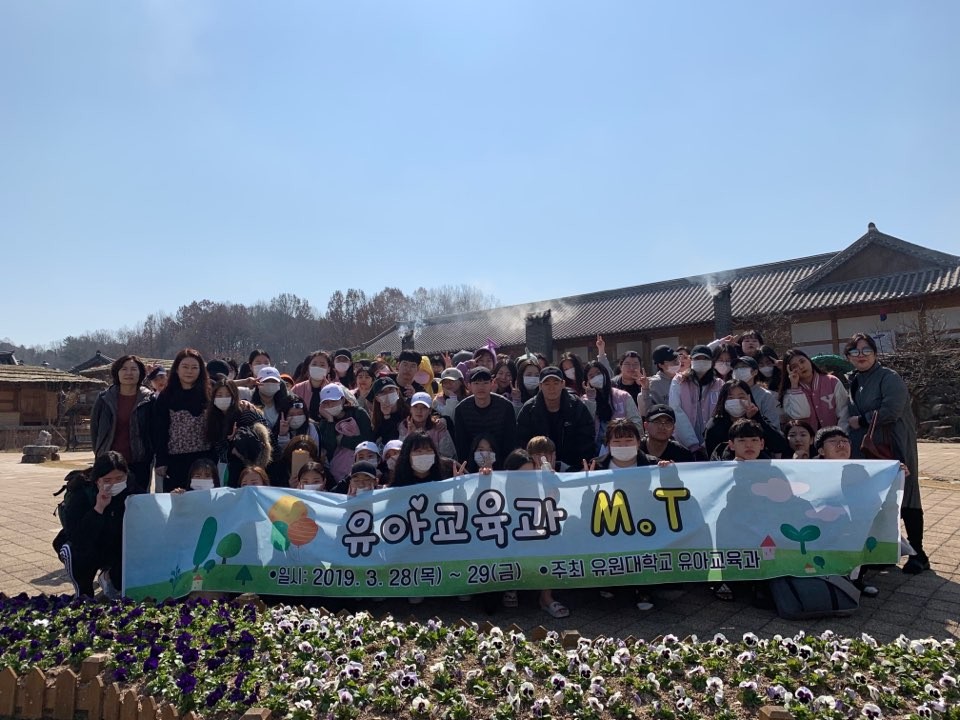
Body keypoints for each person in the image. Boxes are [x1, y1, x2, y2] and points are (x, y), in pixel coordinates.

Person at [844, 332, 927, 574]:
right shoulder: (853, 379)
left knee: (907, 494)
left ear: (875, 353)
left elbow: (892, 409)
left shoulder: (889, 377)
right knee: (876, 498)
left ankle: (919, 553)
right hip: (866, 448)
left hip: (894, 444)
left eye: (866, 350)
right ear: (848, 356)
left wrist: (862, 420)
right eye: (855, 351)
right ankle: (883, 552)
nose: (861, 355)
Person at [56, 451, 130, 599]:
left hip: (114, 543)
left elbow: (150, 512)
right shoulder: (81, 493)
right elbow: (78, 538)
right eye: (107, 480)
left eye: (119, 478)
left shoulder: (131, 488)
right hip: (87, 544)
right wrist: (99, 508)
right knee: (76, 554)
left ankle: (109, 578)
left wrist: (173, 498)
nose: (114, 484)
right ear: (97, 481)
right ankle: (83, 590)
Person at [90, 355, 155, 493]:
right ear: (117, 373)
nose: (129, 373)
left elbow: (154, 431)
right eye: (124, 369)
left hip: (139, 461)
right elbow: (95, 429)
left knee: (137, 500)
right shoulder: (104, 398)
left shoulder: (149, 399)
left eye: (133, 369)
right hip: (108, 461)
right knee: (107, 498)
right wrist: (99, 451)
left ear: (140, 373)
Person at [154, 348, 213, 492]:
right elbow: (159, 430)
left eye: (194, 367)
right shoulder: (166, 396)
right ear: (177, 369)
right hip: (175, 460)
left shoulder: (209, 393)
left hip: (204, 459)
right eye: (185, 367)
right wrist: (161, 460)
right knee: (177, 499)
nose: (189, 371)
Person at [517, 367, 596, 470]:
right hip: (537, 467)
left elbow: (587, 440)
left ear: (563, 384)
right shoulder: (529, 409)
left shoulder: (577, 407)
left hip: (573, 468)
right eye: (547, 384)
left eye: (556, 383)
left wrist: (578, 467)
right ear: (540, 386)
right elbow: (522, 442)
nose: (551, 388)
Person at [704, 380, 790, 460]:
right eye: (730, 398)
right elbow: (713, 458)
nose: (736, 401)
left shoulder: (758, 420)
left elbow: (780, 445)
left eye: (741, 397)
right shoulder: (714, 426)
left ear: (749, 398)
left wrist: (756, 418)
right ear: (723, 400)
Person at [453, 367, 518, 469]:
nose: (481, 387)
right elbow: (461, 445)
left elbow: (510, 441)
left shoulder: (505, 406)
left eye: (485, 383)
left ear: (492, 384)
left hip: (502, 462)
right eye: (476, 383)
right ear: (469, 385)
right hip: (472, 463)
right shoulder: (461, 409)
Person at [207, 378, 267, 484]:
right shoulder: (213, 418)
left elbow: (265, 441)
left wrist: (240, 440)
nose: (223, 398)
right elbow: (218, 448)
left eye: (228, 395)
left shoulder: (247, 413)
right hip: (229, 468)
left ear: (234, 396)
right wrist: (230, 445)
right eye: (219, 395)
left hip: (253, 469)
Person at [668, 344, 724, 458]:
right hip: (684, 445)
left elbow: (721, 413)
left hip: (712, 444)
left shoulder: (719, 384)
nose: (701, 361)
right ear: (691, 360)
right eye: (697, 358)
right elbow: (676, 410)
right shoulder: (679, 380)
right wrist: (692, 443)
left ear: (711, 361)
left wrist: (706, 443)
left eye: (705, 358)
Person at [316, 383, 374, 488]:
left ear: (342, 400)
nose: (330, 405)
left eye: (333, 401)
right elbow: (329, 446)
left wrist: (342, 440)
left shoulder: (358, 413)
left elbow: (367, 440)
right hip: (336, 472)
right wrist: (330, 420)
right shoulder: (324, 423)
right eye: (326, 403)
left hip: (360, 467)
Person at [580, 360, 644, 456]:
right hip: (596, 451)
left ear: (605, 373)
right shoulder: (585, 400)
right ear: (586, 381)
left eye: (598, 373)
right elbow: (586, 424)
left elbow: (636, 423)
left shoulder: (623, 396)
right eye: (591, 376)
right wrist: (591, 399)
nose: (596, 377)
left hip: (623, 448)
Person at [780, 348, 849, 433]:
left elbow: (844, 413)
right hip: (807, 440)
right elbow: (800, 415)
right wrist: (795, 387)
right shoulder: (790, 392)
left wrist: (840, 435)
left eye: (802, 361)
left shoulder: (832, 381)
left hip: (835, 436)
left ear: (809, 360)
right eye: (794, 366)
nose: (801, 367)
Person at [731, 355, 782, 431]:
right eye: (736, 368)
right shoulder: (728, 394)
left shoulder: (765, 396)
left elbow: (773, 426)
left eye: (743, 367)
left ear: (755, 372)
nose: (738, 370)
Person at [401, 392, 457, 459]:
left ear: (430, 410)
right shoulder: (403, 427)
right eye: (415, 407)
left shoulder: (439, 428)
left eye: (424, 407)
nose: (419, 411)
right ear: (410, 409)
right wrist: (410, 435)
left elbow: (449, 456)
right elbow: (401, 455)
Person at [592, 418, 664, 470]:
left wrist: (667, 469)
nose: (623, 445)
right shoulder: (595, 466)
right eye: (617, 441)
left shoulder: (655, 464)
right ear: (608, 444)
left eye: (628, 440)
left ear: (638, 442)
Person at [390, 432, 455, 487]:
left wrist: (457, 483)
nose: (424, 454)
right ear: (407, 455)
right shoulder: (397, 486)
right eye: (418, 451)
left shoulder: (448, 474)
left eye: (429, 450)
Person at [291, 351, 334, 423]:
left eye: (322, 365)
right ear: (309, 367)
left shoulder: (334, 390)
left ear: (329, 369)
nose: (318, 367)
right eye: (314, 364)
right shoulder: (297, 389)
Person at [369, 376, 409, 445]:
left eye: (390, 389)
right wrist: (386, 416)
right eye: (382, 392)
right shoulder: (377, 419)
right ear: (377, 398)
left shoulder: (409, 412)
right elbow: (388, 442)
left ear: (397, 391)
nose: (388, 393)